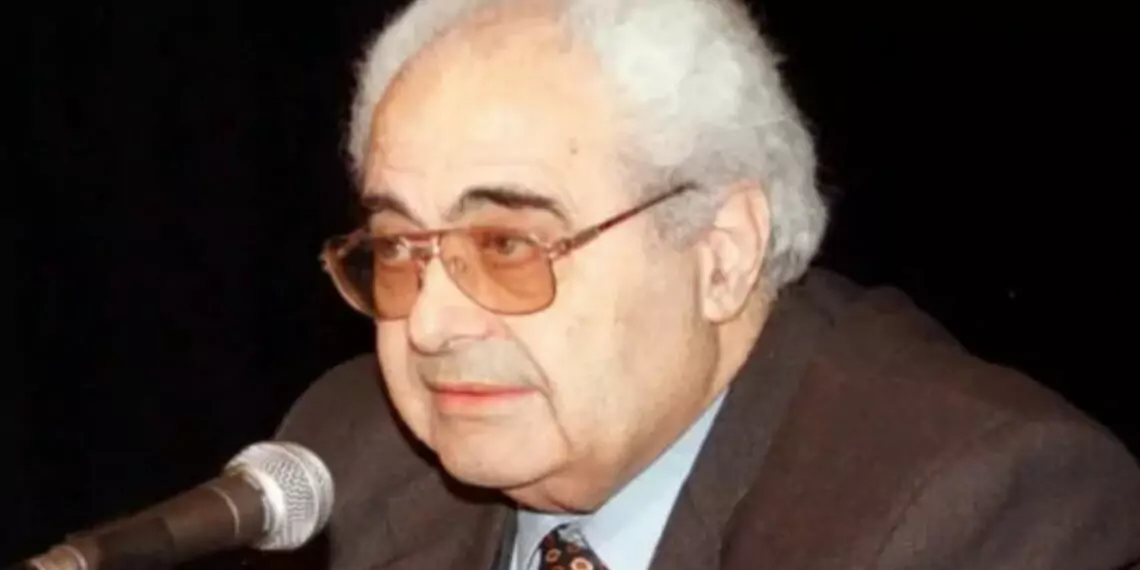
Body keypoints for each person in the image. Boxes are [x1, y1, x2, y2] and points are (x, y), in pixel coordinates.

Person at [266, 0, 1140, 568]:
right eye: (399, 247)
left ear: (720, 254)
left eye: (506, 245)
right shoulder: (349, 450)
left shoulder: (967, 508)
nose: (429, 325)